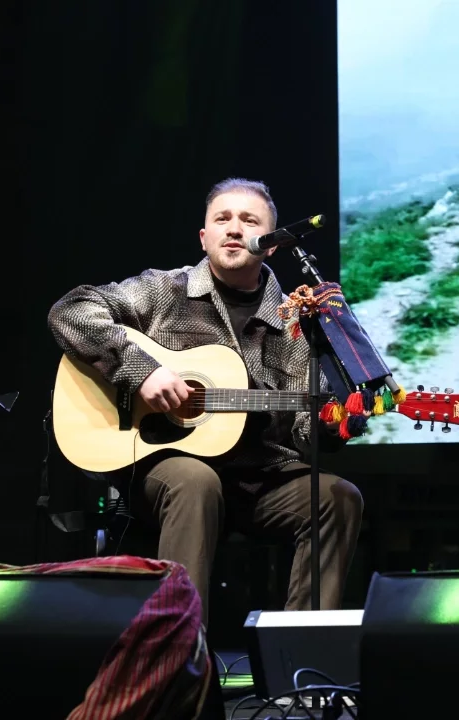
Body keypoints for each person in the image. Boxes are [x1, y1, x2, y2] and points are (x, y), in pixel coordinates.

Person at [47, 177, 363, 622]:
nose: (234, 228)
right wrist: (142, 372)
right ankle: (181, 656)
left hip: (259, 479)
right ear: (204, 236)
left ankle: (300, 650)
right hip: (166, 469)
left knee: (338, 496)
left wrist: (334, 422)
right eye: (223, 219)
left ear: (270, 244)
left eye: (249, 220)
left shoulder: (295, 321)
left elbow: (305, 433)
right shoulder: (164, 291)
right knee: (197, 481)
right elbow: (71, 311)